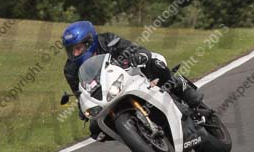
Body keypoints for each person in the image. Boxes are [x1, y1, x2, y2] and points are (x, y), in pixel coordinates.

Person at [62, 20, 204, 140]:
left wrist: (137, 55)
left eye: (78, 48)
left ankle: (185, 91)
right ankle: (138, 138)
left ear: (89, 42)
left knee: (155, 64)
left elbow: (131, 48)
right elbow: (80, 92)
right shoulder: (70, 69)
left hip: (133, 74)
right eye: (71, 50)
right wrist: (82, 108)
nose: (75, 54)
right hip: (109, 93)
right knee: (95, 128)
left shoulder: (107, 40)